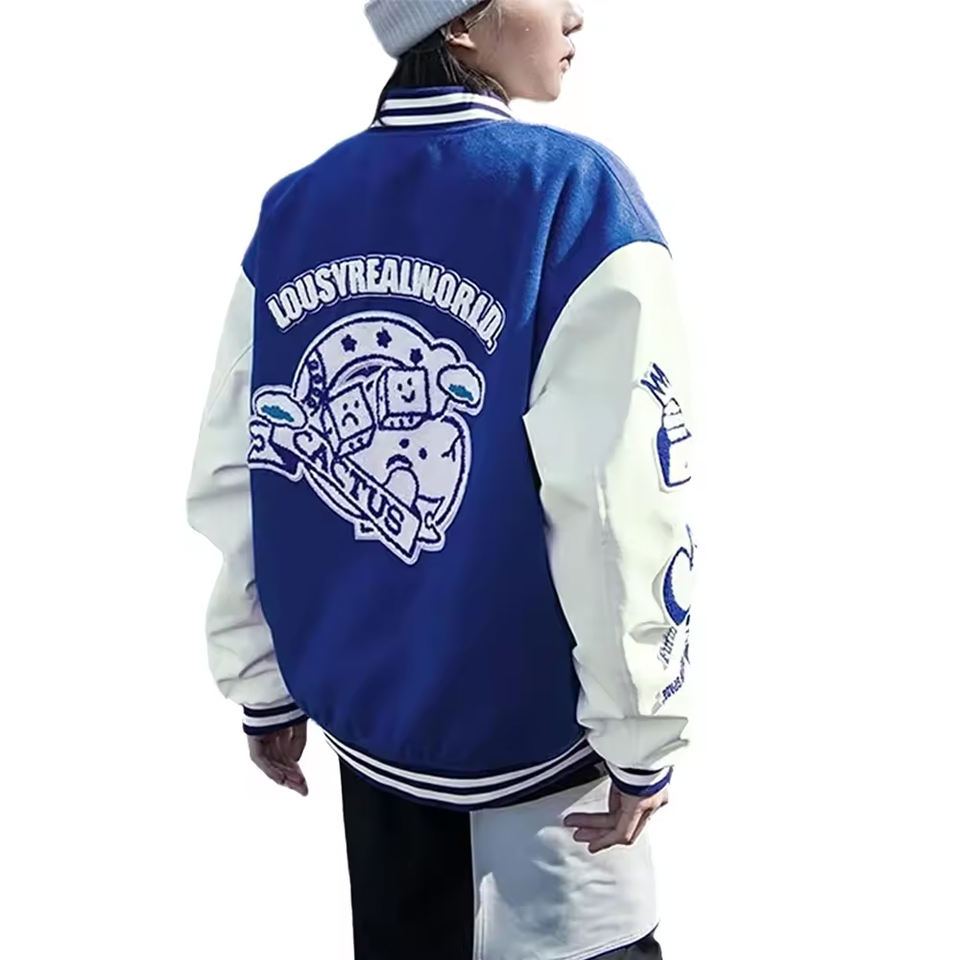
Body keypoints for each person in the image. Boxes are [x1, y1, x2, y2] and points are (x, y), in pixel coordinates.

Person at [185, 1, 696, 957]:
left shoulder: (295, 209)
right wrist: (641, 736)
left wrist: (263, 685)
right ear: (461, 23)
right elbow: (615, 501)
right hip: (543, 764)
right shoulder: (571, 197)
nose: (576, 14)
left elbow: (237, 467)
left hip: (372, 742)